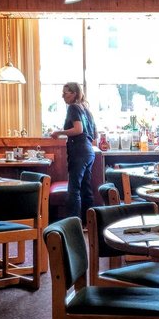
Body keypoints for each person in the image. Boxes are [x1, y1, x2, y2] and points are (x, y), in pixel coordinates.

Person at [48, 82, 97, 220]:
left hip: (78, 151)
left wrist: (59, 132)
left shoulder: (73, 108)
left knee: (74, 189)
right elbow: (94, 134)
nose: (62, 96)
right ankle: (90, 223)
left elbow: (78, 129)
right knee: (85, 189)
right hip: (88, 151)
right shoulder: (85, 108)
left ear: (74, 94)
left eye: (65, 93)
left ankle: (72, 224)